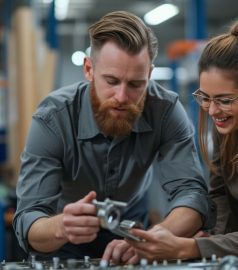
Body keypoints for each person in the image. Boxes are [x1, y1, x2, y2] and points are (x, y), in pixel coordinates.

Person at [13, 10, 215, 260]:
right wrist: (61, 225)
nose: (121, 97)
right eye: (111, 81)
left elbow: (192, 195)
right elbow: (28, 219)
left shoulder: (165, 111)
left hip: (134, 236)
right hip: (63, 242)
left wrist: (152, 238)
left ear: (149, 75)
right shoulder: (53, 118)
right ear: (88, 69)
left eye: (135, 84)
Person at [123, 19, 238, 261]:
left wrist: (188, 248)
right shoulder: (229, 130)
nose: (212, 111)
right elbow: (220, 198)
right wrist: (213, 242)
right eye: (205, 98)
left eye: (224, 100)